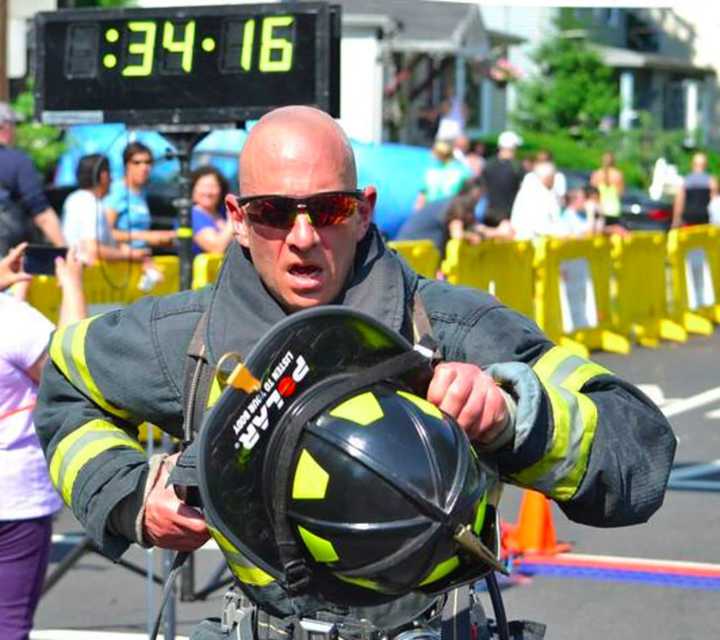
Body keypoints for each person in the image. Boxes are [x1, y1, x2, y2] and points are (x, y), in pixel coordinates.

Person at [35, 106, 675, 638]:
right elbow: (66, 385)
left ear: (365, 209)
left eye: (330, 209)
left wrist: (513, 416)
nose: (304, 237)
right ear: (237, 219)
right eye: (274, 213)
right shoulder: (188, 341)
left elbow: (637, 457)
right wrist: (129, 496)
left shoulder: (452, 327)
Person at [1, 243, 86, 640]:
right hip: (13, 497)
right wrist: (72, 285)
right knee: (9, 625)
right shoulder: (12, 320)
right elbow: (71, 368)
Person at [0, 102, 65, 257]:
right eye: (14, 126)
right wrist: (65, 251)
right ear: (5, 128)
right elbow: (41, 213)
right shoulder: (17, 161)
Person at [62, 153, 149, 264]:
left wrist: (128, 250)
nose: (112, 179)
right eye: (110, 174)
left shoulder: (74, 199)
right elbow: (93, 249)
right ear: (104, 176)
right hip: (88, 276)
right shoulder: (90, 203)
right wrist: (131, 255)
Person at [104, 141, 177, 251]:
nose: (144, 168)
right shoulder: (117, 191)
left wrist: (163, 237)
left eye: (148, 163)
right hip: (122, 260)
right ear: (126, 165)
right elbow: (106, 233)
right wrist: (145, 236)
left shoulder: (142, 192)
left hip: (143, 257)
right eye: (137, 163)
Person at [187, 166, 234, 255]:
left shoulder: (222, 212)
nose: (208, 192)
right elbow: (216, 248)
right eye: (203, 186)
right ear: (193, 189)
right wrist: (233, 220)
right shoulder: (193, 216)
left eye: (213, 186)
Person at [510, 161, 562, 240]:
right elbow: (540, 225)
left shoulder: (545, 191)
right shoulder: (533, 192)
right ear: (547, 177)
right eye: (553, 177)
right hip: (530, 240)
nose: (554, 180)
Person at [414, 140, 472, 210]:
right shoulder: (463, 170)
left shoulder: (430, 172)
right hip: (451, 211)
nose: (431, 155)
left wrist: (417, 213)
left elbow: (421, 197)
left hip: (435, 210)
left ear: (439, 155)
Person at [482, 130, 524, 227]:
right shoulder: (517, 167)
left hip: (489, 213)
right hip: (509, 215)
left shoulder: (488, 164)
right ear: (512, 148)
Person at [672, 151, 718, 228]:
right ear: (705, 165)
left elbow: (679, 202)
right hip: (705, 219)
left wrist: (676, 220)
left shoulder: (686, 181)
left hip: (688, 219)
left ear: (693, 165)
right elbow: (715, 203)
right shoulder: (712, 181)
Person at [590, 151, 624, 225]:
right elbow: (620, 194)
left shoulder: (596, 175)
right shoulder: (618, 175)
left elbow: (592, 194)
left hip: (600, 208)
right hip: (614, 209)